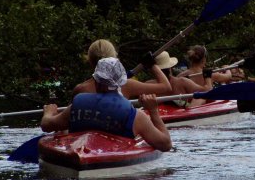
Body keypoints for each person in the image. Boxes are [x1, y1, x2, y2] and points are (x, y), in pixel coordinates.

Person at [41, 57, 172, 152]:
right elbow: (165, 144)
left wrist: (49, 112)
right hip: (112, 170)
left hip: (77, 156)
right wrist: (154, 111)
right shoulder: (136, 115)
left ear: (96, 80)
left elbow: (47, 125)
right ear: (121, 82)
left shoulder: (78, 104)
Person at [72, 39, 172, 99]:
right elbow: (166, 87)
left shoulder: (81, 89)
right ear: (115, 59)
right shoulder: (126, 85)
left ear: (90, 61)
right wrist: (152, 65)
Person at [146, 51, 213, 107]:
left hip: (163, 116)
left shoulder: (148, 85)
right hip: (179, 116)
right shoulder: (181, 81)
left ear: (154, 70)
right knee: (199, 99)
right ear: (170, 67)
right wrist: (207, 77)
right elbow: (207, 92)